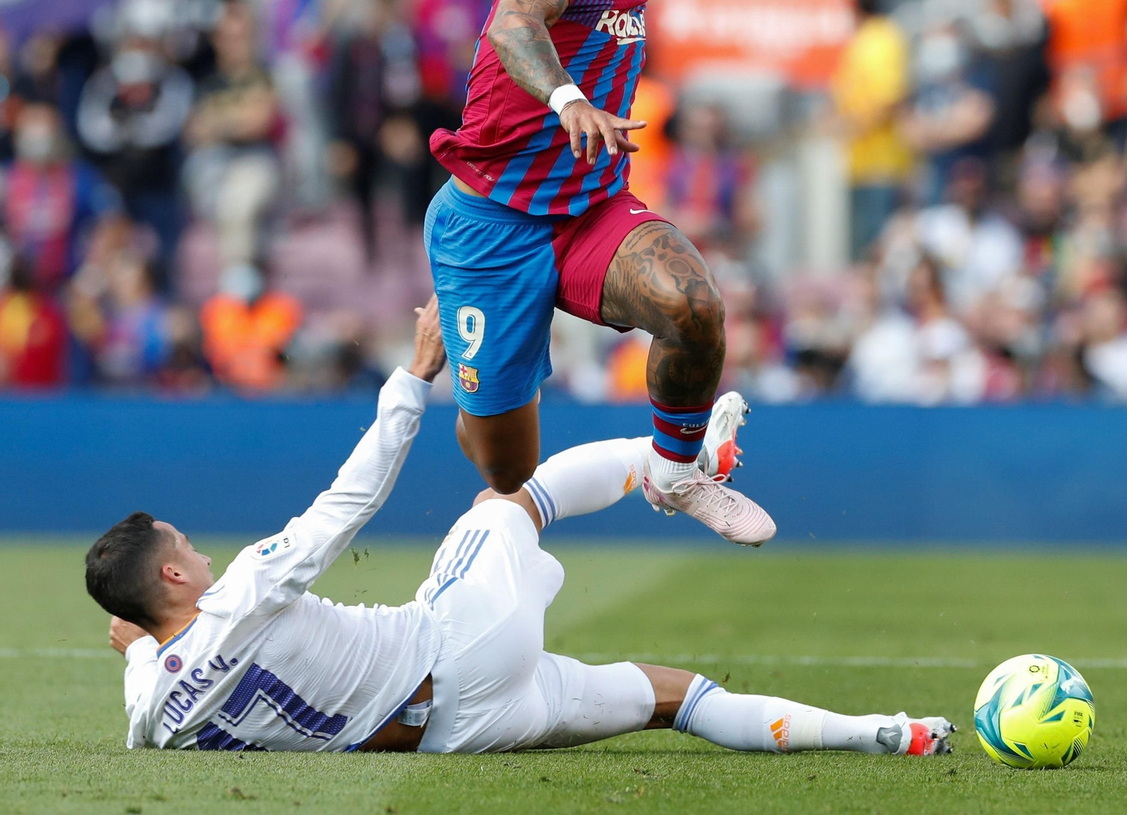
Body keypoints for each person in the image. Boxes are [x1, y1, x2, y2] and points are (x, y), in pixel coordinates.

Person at [88, 299, 954, 758]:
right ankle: (673, 466)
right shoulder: (237, 596)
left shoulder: (153, 708)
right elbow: (346, 505)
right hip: (451, 647)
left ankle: (883, 731)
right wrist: (412, 378)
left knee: (676, 697)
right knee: (507, 497)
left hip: (461, 731)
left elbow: (146, 675)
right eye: (182, 548)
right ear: (172, 580)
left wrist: (137, 643)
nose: (197, 550)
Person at [425, 0, 774, 545]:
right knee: (506, 470)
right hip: (490, 226)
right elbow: (514, 20)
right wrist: (567, 97)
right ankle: (468, 364)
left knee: (695, 306)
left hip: (587, 212)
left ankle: (677, 469)